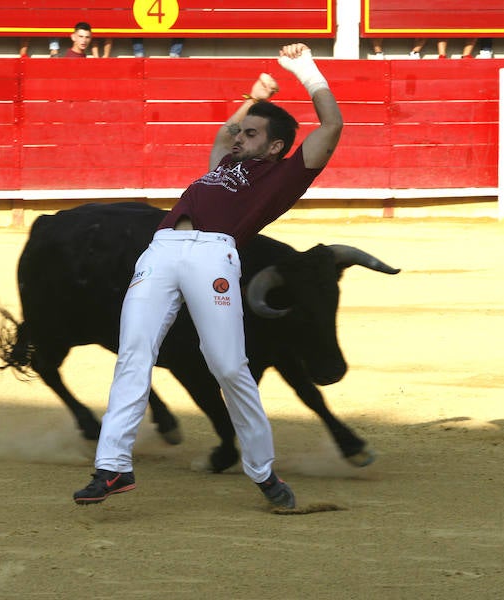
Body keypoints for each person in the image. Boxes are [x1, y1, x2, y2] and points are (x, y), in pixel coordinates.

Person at [72, 42, 344, 509]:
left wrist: (305, 69)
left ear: (276, 147)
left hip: (214, 256)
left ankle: (263, 472)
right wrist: (252, 96)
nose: (240, 138)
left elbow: (332, 125)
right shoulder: (223, 165)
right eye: (242, 132)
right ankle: (113, 467)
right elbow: (224, 133)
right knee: (133, 355)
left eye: (252, 134)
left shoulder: (284, 176)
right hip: (159, 252)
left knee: (227, 365)